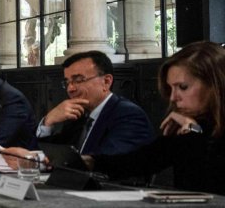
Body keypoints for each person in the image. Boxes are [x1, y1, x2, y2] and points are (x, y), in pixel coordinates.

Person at [87, 41, 225, 194]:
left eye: (183, 87)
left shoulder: (193, 127)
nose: (173, 97)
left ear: (214, 85)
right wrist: (90, 161)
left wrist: (194, 132)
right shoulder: (187, 124)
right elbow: (140, 161)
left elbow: (212, 186)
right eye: (170, 88)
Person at [34, 50, 155, 156]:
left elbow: (105, 163)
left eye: (78, 80)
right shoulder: (78, 115)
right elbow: (52, 155)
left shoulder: (128, 115)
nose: (70, 89)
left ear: (106, 82)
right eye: (67, 82)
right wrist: (48, 121)